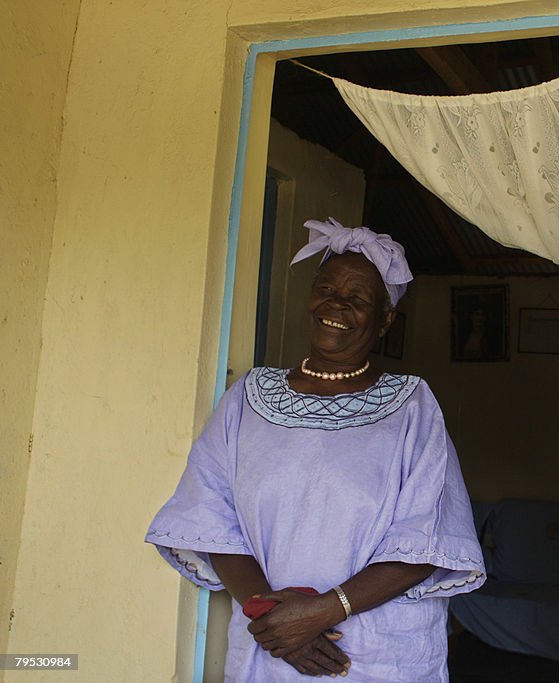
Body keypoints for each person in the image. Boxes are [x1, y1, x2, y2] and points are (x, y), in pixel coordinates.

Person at [146, 218, 486, 682]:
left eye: (358, 298)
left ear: (385, 320)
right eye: (326, 288)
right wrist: (275, 618)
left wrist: (326, 610)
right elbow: (209, 518)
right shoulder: (247, 397)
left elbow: (427, 538)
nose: (337, 304)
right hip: (271, 643)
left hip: (375, 649)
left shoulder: (412, 407)